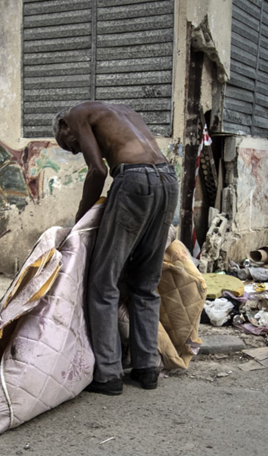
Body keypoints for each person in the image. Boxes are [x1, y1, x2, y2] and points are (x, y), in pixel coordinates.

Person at [53, 101, 178, 395]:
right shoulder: (124, 111)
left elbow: (97, 171)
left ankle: (108, 375)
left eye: (68, 145)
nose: (74, 149)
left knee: (102, 283)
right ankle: (147, 368)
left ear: (63, 126)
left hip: (134, 179)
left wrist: (80, 220)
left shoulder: (76, 114)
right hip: (168, 179)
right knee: (145, 283)